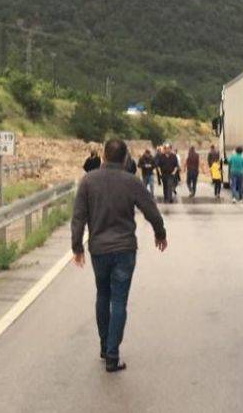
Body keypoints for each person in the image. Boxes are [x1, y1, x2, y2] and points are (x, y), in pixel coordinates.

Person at [71, 138, 168, 373]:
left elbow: (78, 217)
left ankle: (105, 347)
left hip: (99, 250)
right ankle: (113, 354)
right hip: (124, 249)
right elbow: (151, 210)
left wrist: (77, 247)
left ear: (103, 155)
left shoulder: (88, 181)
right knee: (119, 300)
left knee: (102, 294)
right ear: (125, 158)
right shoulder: (131, 182)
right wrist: (160, 233)